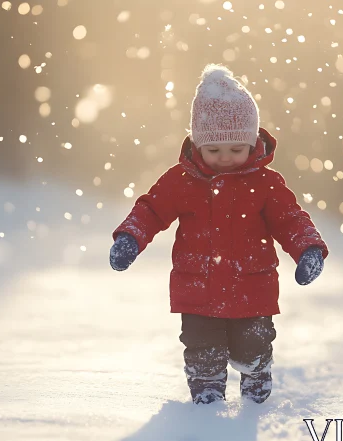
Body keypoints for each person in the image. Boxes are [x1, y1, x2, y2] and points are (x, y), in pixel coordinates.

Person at [109, 64, 329, 404]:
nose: (225, 158)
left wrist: (308, 249)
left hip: (252, 287)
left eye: (236, 149)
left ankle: (255, 383)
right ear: (197, 143)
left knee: (253, 345)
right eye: (213, 150)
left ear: (253, 142)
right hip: (197, 288)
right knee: (202, 349)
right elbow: (151, 210)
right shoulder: (181, 180)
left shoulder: (266, 183)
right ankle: (207, 399)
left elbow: (290, 219)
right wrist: (130, 237)